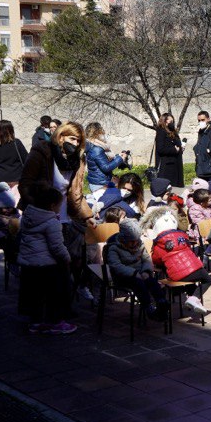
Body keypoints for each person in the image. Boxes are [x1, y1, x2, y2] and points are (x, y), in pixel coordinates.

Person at [18, 120, 98, 303]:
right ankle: (39, 309)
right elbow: (26, 183)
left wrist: (87, 216)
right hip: (41, 216)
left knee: (66, 261)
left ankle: (61, 305)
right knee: (41, 264)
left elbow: (75, 193)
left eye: (79, 141)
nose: (75, 144)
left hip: (63, 217)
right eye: (72, 138)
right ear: (60, 137)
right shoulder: (42, 152)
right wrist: (40, 208)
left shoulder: (76, 159)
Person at [18, 186, 75, 334]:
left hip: (29, 264)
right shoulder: (52, 222)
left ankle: (36, 322)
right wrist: (67, 258)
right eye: (59, 205)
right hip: (47, 265)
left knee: (35, 295)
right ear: (52, 205)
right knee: (53, 295)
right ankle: (55, 322)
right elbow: (57, 247)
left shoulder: (27, 216)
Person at [150, 225, 211, 318]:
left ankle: (191, 298)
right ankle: (194, 298)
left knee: (188, 282)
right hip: (194, 267)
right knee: (207, 280)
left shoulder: (158, 243)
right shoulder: (182, 236)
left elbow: (156, 260)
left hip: (176, 275)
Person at [84, 122, 128, 197]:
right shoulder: (96, 149)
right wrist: (120, 159)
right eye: (101, 131)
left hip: (98, 182)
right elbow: (106, 167)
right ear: (96, 133)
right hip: (99, 184)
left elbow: (103, 161)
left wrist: (118, 156)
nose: (103, 134)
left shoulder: (93, 146)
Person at [0, 120, 28, 189]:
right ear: (11, 129)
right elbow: (26, 160)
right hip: (17, 179)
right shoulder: (17, 143)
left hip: (1, 181)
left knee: (3, 199)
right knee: (17, 199)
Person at [152, 112, 185, 188]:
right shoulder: (161, 131)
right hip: (166, 166)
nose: (172, 123)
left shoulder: (172, 132)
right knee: (166, 188)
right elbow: (160, 149)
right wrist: (174, 150)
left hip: (174, 164)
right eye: (171, 121)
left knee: (172, 189)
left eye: (173, 121)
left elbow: (176, 144)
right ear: (165, 121)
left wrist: (180, 148)